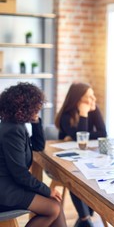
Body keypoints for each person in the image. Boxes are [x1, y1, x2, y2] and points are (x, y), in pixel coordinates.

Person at [0, 82, 67, 227]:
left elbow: (38, 146)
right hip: (6, 191)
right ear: (24, 107)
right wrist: (47, 190)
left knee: (55, 203)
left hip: (11, 185)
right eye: (36, 106)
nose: (39, 108)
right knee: (53, 208)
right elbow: (20, 174)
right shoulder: (12, 130)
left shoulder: (15, 124)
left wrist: (36, 121)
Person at [55, 82, 107, 227]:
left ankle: (86, 217)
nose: (94, 100)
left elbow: (103, 134)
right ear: (78, 100)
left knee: (96, 173)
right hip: (65, 163)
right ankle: (85, 219)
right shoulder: (66, 116)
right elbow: (80, 138)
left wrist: (77, 136)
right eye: (89, 97)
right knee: (75, 178)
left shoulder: (94, 110)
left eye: (93, 95)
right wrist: (83, 114)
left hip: (86, 157)